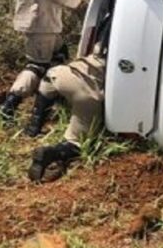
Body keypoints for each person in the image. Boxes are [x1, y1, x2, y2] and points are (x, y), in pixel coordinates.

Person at [0, 0, 86, 124]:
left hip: (30, 20)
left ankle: (49, 103)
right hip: (43, 23)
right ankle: (11, 106)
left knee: (59, 55)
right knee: (37, 67)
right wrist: (80, 0)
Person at [25, 44, 106, 182]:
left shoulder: (100, 48)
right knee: (79, 142)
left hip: (61, 74)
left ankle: (33, 127)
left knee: (48, 83)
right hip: (86, 92)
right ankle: (54, 154)